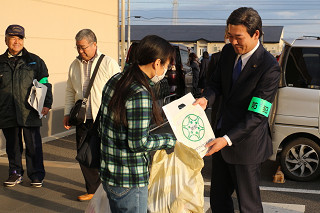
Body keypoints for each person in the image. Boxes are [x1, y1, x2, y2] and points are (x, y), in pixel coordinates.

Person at [194, 7, 281, 212]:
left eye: (238, 37)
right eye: (229, 36)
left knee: (248, 205)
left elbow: (257, 115)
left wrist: (227, 139)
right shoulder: (227, 53)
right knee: (218, 201)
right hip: (219, 139)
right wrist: (206, 99)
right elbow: (215, 84)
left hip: (246, 146)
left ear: (255, 34)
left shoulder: (269, 67)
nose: (232, 42)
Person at [99, 35, 176, 213]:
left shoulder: (116, 79)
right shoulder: (140, 93)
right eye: (166, 65)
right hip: (129, 179)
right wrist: (169, 140)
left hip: (110, 174)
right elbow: (138, 143)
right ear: (157, 63)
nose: (166, 69)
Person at [63, 29, 120, 201]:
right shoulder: (74, 65)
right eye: (78, 48)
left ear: (94, 44)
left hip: (104, 118)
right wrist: (67, 113)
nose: (80, 51)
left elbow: (119, 90)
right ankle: (93, 190)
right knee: (84, 154)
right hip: (83, 118)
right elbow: (69, 91)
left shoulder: (109, 63)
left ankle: (111, 188)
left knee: (107, 154)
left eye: (83, 47)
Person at [0, 24, 53, 188]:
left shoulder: (35, 61)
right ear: (6, 39)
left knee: (33, 145)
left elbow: (45, 82)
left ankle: (36, 174)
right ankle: (15, 173)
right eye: (13, 37)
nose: (17, 41)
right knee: (12, 146)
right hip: (7, 110)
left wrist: (47, 103)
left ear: (24, 40)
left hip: (30, 111)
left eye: (20, 38)